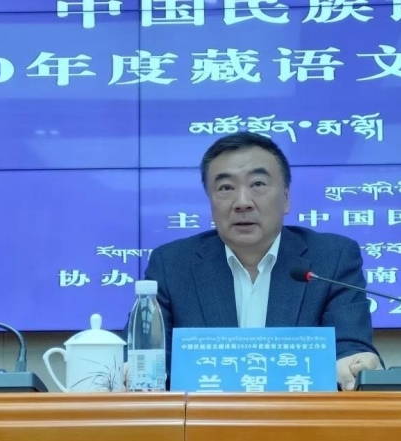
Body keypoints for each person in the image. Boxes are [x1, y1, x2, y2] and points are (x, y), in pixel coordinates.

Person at [134, 131, 382, 390]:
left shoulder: (331, 257)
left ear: (286, 198)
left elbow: (349, 346)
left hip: (301, 414)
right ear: (210, 202)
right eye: (226, 188)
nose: (242, 202)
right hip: (205, 413)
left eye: (258, 184)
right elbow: (150, 354)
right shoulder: (172, 264)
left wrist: (355, 362)